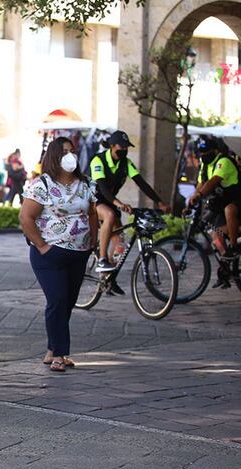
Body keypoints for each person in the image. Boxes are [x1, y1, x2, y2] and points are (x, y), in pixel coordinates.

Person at [20, 137, 98, 373]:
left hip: (79, 253)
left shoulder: (85, 184)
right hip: (50, 254)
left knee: (68, 303)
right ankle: (60, 355)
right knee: (57, 300)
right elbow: (26, 218)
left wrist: (93, 240)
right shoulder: (41, 185)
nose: (70, 156)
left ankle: (52, 349)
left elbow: (93, 213)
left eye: (72, 151)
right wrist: (42, 246)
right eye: (64, 152)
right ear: (54, 155)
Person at [90, 130, 170, 273]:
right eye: (122, 147)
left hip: (110, 202)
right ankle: (102, 260)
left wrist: (159, 202)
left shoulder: (126, 163)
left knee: (120, 243)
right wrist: (119, 204)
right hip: (94, 200)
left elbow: (142, 183)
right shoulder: (98, 160)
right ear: (112, 146)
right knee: (109, 215)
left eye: (127, 147)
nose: (125, 150)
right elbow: (102, 189)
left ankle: (108, 277)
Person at [188, 136, 240, 287]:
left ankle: (234, 248)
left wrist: (200, 195)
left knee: (229, 209)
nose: (203, 155)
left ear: (215, 151)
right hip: (221, 208)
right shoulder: (204, 167)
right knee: (216, 236)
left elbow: (213, 182)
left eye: (206, 152)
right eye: (201, 152)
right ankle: (226, 268)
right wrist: (190, 203)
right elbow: (201, 185)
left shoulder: (223, 161)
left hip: (237, 202)